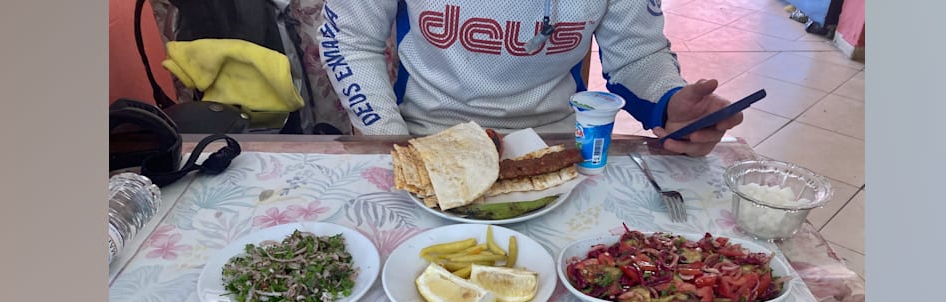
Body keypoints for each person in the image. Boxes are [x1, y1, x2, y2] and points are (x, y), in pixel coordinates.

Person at [318, 0, 742, 157]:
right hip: (424, 139)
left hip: (554, 149)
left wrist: (668, 101)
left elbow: (638, 53)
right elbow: (349, 40)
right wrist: (391, 141)